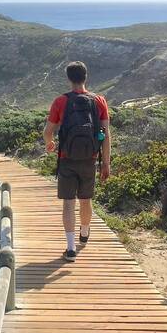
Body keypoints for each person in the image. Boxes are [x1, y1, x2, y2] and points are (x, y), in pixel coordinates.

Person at [43, 61, 111, 262]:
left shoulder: (60, 102)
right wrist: (105, 163)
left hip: (67, 159)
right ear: (85, 77)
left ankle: (71, 248)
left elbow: (48, 132)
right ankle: (85, 230)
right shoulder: (99, 101)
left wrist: (50, 143)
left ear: (68, 78)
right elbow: (105, 134)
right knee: (86, 200)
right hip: (90, 159)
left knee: (68, 202)